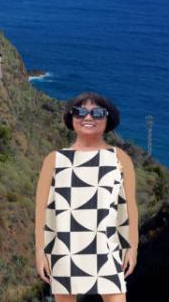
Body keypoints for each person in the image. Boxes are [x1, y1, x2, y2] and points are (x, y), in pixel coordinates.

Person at [34, 92, 138, 301]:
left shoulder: (119, 158)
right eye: (80, 112)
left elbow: (128, 207)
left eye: (97, 113)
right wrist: (40, 251)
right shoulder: (54, 159)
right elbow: (42, 210)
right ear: (71, 118)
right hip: (64, 246)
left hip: (107, 246)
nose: (88, 118)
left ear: (108, 119)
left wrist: (132, 247)